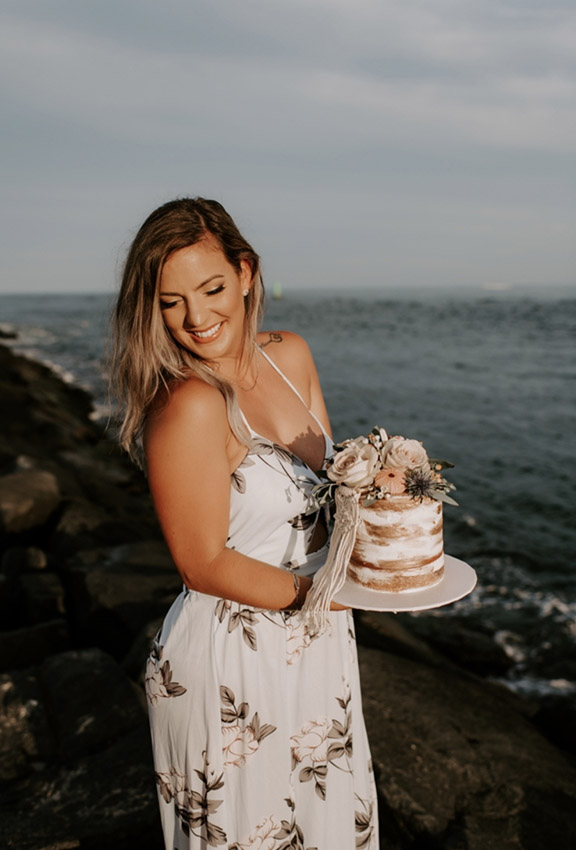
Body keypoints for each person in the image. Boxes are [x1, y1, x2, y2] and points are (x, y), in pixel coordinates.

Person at [110, 197, 378, 849]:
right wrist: (333, 596)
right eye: (171, 301)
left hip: (319, 646)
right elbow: (201, 563)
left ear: (246, 273)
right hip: (233, 666)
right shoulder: (191, 404)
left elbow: (329, 484)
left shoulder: (291, 358)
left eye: (211, 288)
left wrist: (388, 488)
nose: (197, 317)